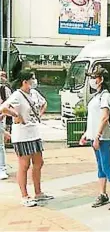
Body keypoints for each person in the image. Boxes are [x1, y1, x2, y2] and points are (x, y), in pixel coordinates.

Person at [0, 70, 52, 207]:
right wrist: (16, 114)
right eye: (32, 79)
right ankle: (24, 195)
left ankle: (38, 192)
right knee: (24, 165)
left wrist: (39, 114)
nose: (34, 81)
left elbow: (44, 103)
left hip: (34, 132)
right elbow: (3, 108)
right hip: (22, 135)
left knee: (39, 162)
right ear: (25, 81)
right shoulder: (17, 95)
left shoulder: (34, 93)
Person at [78, 68, 110, 210]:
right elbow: (94, 118)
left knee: (106, 166)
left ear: (101, 79)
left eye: (94, 77)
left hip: (104, 137)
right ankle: (103, 194)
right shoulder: (97, 96)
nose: (91, 80)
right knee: (100, 167)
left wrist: (97, 136)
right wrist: (87, 134)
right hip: (95, 137)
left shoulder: (106, 96)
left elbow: (104, 118)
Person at [0, 71, 12, 180]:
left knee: (0, 146)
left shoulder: (4, 90)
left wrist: (4, 115)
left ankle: (2, 169)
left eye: (3, 76)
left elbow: (10, 105)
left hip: (1, 120)